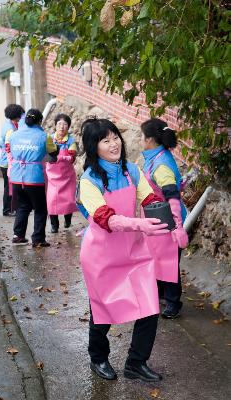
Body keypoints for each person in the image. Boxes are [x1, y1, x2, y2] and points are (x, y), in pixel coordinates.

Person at [78, 117, 170, 382]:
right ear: (94, 147)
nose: (113, 144)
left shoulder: (131, 170)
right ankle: (98, 357)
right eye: (105, 141)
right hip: (102, 256)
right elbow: (107, 219)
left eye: (115, 137)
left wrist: (165, 217)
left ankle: (136, 363)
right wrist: (141, 224)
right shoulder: (89, 181)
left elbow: (148, 197)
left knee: (150, 306)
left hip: (134, 252)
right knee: (103, 312)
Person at [140, 118, 189, 319]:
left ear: (151, 139)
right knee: (158, 259)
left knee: (168, 263)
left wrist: (178, 226)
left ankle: (173, 303)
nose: (140, 140)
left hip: (168, 220)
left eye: (142, 136)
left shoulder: (160, 164)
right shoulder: (157, 156)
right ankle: (162, 294)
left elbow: (172, 196)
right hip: (158, 219)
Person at [7, 108, 58, 247]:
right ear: (40, 121)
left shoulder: (14, 135)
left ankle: (18, 235)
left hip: (17, 176)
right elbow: (53, 152)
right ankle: (38, 239)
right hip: (34, 177)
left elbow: (9, 150)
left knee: (23, 206)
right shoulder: (43, 136)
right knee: (40, 208)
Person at [46, 113, 77, 233]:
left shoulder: (71, 141)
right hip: (52, 177)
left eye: (65, 124)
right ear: (55, 125)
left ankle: (67, 220)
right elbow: (45, 156)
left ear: (68, 127)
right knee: (52, 200)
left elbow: (72, 158)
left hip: (67, 176)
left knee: (68, 200)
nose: (62, 127)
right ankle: (54, 225)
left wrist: (62, 158)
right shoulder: (49, 139)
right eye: (59, 124)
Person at [0, 104, 25, 216]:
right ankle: (7, 210)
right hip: (7, 162)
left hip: (2, 160)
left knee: (8, 186)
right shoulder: (10, 129)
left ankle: (10, 208)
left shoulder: (7, 124)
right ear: (17, 116)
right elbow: (9, 146)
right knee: (8, 187)